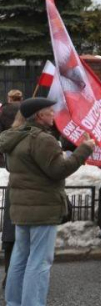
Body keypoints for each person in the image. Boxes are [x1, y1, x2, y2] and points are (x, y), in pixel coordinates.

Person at [0, 98, 94, 306]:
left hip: (21, 207)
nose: (54, 114)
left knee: (20, 257)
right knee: (40, 261)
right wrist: (84, 149)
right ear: (40, 116)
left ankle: (14, 302)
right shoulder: (43, 139)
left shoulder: (16, 137)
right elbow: (58, 169)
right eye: (50, 111)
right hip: (42, 208)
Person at [0, 90, 22, 286]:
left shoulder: (3, 112)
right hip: (27, 198)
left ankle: (10, 277)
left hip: (13, 191)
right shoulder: (32, 139)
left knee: (10, 238)